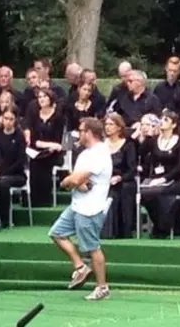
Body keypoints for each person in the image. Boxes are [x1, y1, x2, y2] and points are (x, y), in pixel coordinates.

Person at [49, 117, 112, 301]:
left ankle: (102, 287)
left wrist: (68, 182)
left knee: (92, 248)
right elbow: (77, 180)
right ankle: (80, 267)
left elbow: (75, 180)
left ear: (90, 133)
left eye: (82, 130)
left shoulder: (100, 153)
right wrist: (72, 181)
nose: (79, 133)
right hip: (77, 205)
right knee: (57, 232)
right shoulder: (85, 153)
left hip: (90, 208)